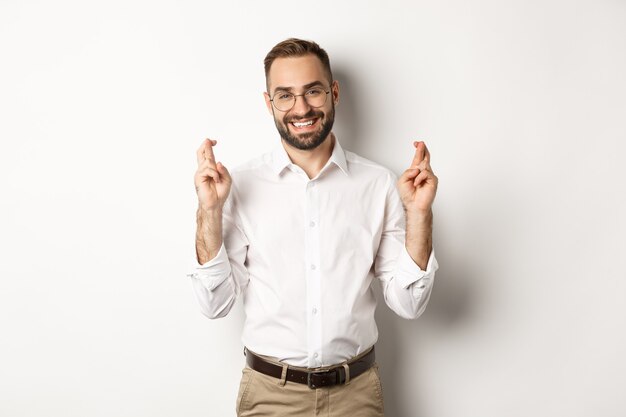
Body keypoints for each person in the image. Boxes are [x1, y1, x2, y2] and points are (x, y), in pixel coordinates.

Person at [189, 38, 439, 417]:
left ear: (333, 92)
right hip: (269, 396)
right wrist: (209, 211)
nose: (301, 108)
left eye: (313, 91)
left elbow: (409, 304)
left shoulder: (379, 184)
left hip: (356, 396)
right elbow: (214, 303)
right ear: (268, 103)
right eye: (285, 96)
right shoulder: (236, 187)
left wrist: (419, 215)